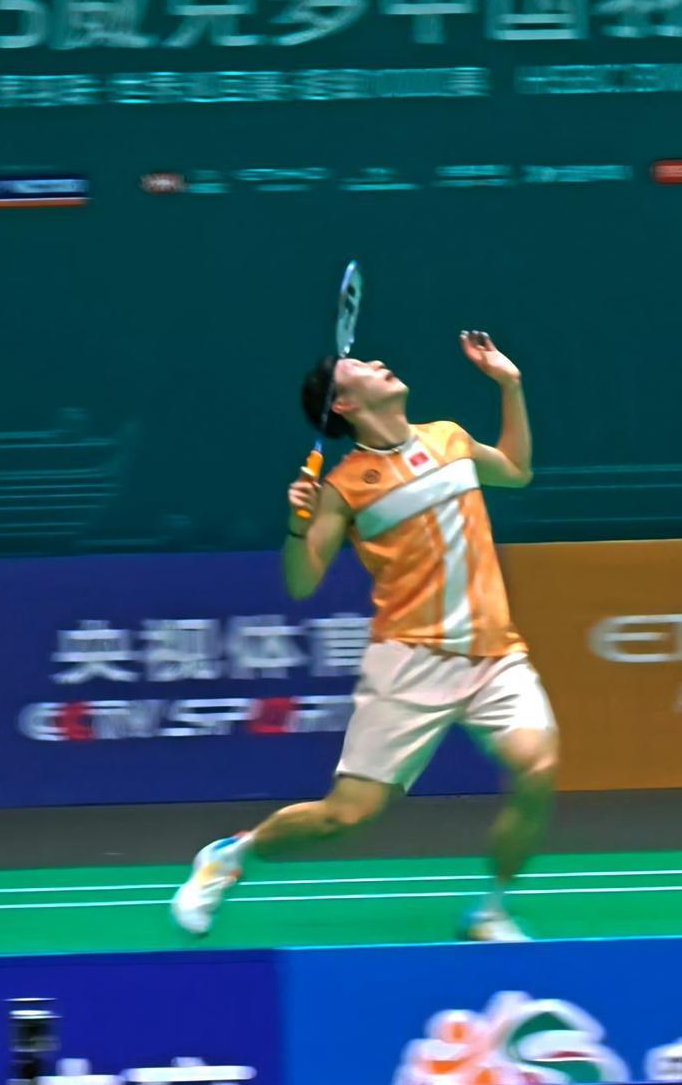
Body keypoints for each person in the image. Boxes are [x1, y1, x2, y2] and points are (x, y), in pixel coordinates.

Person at [171, 329, 558, 942]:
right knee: (345, 816)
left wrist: (510, 386)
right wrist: (297, 525)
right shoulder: (344, 488)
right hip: (410, 661)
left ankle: (489, 910)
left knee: (537, 769)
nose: (379, 361)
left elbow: (516, 470)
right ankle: (230, 855)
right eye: (357, 365)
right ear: (344, 404)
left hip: (495, 653)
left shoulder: (449, 437)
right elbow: (302, 581)